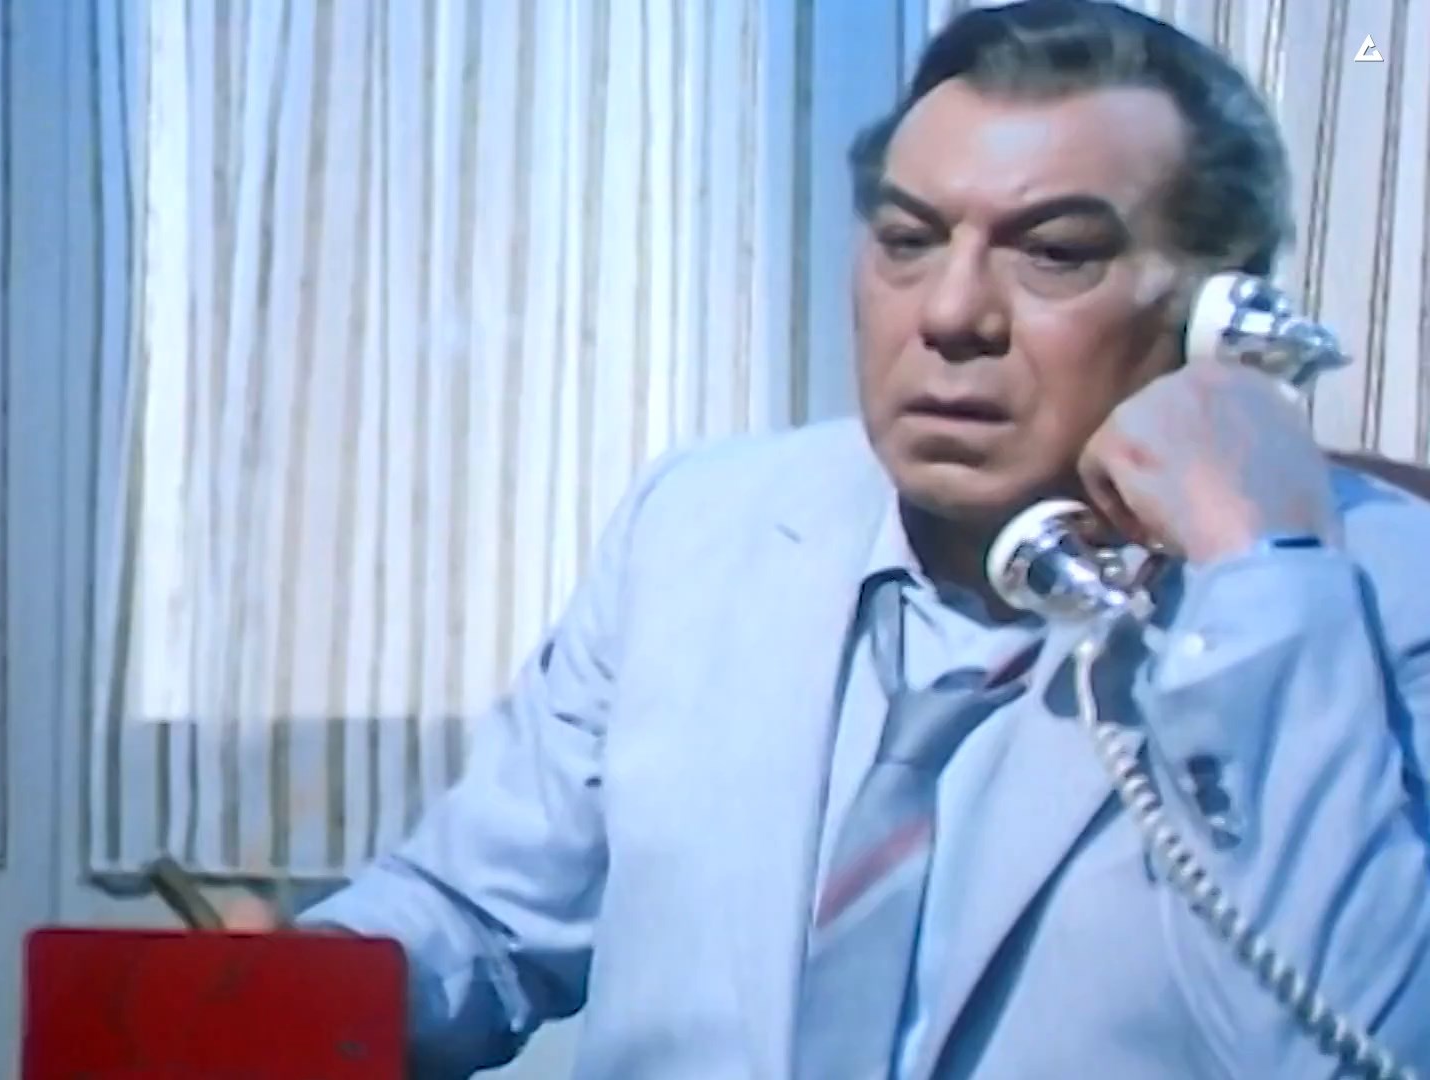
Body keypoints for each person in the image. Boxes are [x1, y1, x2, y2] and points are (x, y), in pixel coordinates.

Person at [231, 2, 1430, 1076]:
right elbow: (484, 919)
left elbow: (1353, 1048)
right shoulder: (699, 527)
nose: (951, 313)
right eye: (908, 239)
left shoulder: (1375, 591)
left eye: (1054, 252)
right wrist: (286, 995)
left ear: (1220, 314)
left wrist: (1261, 579)